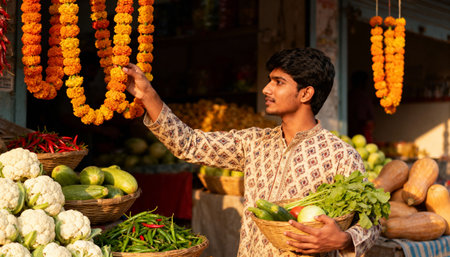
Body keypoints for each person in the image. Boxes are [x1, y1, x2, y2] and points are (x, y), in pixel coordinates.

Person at [123, 48, 380, 257]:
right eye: (270, 81)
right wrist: (148, 94)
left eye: (278, 82)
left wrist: (344, 239)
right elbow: (188, 143)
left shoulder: (340, 155)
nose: (266, 89)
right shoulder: (254, 141)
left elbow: (372, 221)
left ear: (306, 93)